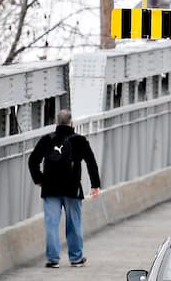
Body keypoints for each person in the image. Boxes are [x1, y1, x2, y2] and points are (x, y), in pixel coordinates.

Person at [29, 110, 101, 268]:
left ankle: (53, 259)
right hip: (72, 188)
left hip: (50, 188)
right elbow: (91, 162)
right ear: (72, 123)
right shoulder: (80, 140)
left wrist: (39, 179)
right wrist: (95, 185)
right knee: (74, 223)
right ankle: (76, 258)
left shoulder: (47, 139)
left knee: (51, 224)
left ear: (57, 123)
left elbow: (33, 160)